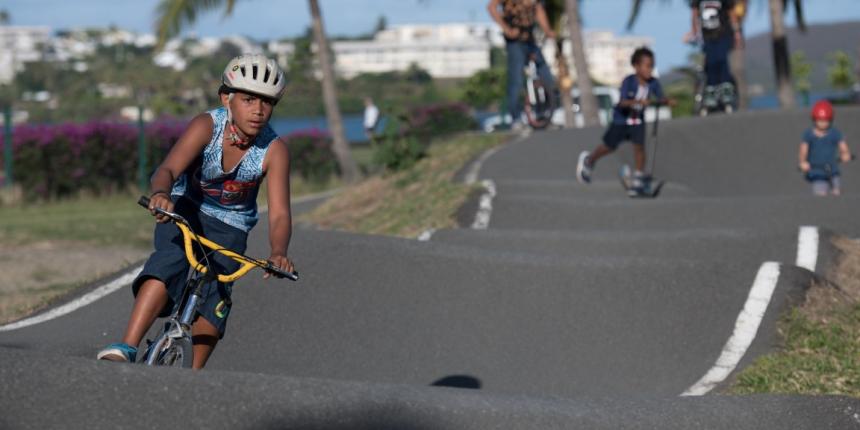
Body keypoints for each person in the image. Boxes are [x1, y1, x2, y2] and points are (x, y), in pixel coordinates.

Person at [97, 54, 296, 369]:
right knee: (168, 264)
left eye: (267, 103)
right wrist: (161, 194)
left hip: (232, 227)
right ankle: (127, 345)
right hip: (185, 209)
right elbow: (168, 168)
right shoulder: (207, 125)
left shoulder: (274, 150)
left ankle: (193, 379)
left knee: (216, 300)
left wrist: (279, 251)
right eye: (248, 100)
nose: (258, 111)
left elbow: (280, 214)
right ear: (225, 98)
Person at [575, 47, 673, 191]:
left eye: (652, 66)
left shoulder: (653, 83)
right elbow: (622, 102)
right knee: (609, 146)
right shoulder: (629, 81)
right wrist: (638, 103)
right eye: (646, 66)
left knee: (639, 147)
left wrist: (666, 101)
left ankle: (638, 176)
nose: (649, 69)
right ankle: (590, 160)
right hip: (621, 120)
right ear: (636, 66)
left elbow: (660, 97)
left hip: (638, 121)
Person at [487, 0, 557, 131]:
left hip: (530, 40)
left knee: (546, 76)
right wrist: (506, 29)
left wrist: (548, 30)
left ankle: (544, 116)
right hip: (514, 41)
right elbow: (491, 7)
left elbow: (539, 11)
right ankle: (516, 119)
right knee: (516, 80)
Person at [685, 0, 743, 108]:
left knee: (722, 59)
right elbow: (694, 14)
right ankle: (711, 89)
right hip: (707, 36)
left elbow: (731, 13)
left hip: (723, 34)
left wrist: (736, 33)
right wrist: (694, 32)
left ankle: (726, 89)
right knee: (711, 62)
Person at [799, 100, 852, 196]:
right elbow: (804, 149)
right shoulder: (809, 135)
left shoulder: (834, 133)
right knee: (820, 194)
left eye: (825, 121)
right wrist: (803, 161)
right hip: (816, 171)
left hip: (832, 169)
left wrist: (845, 154)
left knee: (836, 191)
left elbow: (842, 145)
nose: (823, 123)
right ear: (814, 119)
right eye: (820, 121)